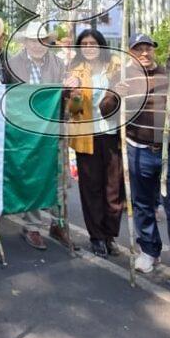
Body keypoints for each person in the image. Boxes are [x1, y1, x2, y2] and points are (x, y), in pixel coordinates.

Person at [118, 33, 170, 275]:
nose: (144, 53)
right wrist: (116, 96)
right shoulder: (123, 78)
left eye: (148, 48)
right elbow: (106, 112)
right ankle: (149, 251)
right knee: (143, 204)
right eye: (138, 49)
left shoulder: (169, 74)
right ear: (130, 53)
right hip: (138, 150)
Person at [6, 20, 74, 251]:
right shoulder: (12, 63)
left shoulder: (58, 63)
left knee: (59, 179)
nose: (37, 45)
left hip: (55, 130)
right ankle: (32, 226)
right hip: (26, 132)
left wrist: (70, 87)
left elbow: (69, 96)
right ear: (25, 42)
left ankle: (59, 223)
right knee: (34, 177)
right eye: (33, 40)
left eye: (42, 40)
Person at [66, 29, 124, 259]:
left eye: (93, 43)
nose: (89, 47)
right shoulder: (75, 71)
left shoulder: (116, 68)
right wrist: (74, 93)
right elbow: (75, 112)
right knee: (91, 189)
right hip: (87, 137)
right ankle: (97, 237)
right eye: (85, 44)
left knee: (114, 190)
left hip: (112, 135)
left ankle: (110, 234)